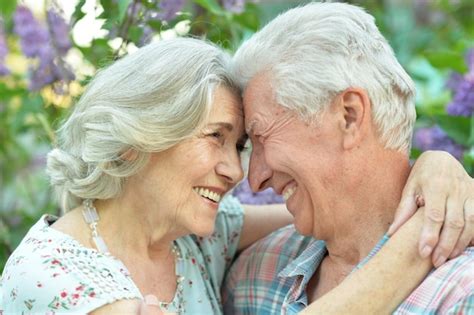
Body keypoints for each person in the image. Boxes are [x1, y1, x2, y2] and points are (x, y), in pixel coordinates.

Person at [0, 37, 470, 315]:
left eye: (239, 144)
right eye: (215, 137)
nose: (235, 170)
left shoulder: (197, 239)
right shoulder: (50, 275)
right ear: (136, 139)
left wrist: (436, 169)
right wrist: (420, 242)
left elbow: (346, 207)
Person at [223, 2, 474, 314]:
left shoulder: (462, 293)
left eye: (261, 137)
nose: (255, 179)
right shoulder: (252, 277)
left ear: (350, 116)